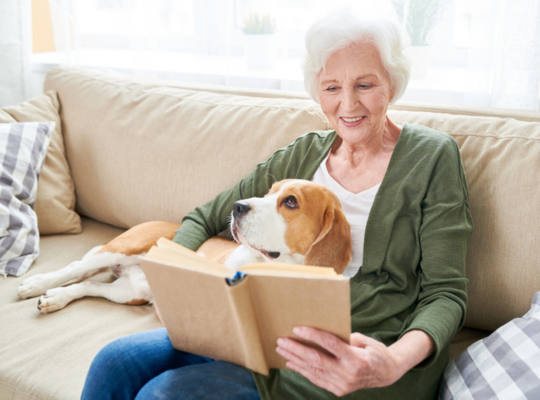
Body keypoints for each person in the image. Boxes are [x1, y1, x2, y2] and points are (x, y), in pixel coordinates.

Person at [82, 12, 472, 400]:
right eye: (332, 87)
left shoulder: (432, 157)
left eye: (365, 84)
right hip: (263, 332)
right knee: (113, 362)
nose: (348, 103)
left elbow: (446, 293)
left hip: (359, 358)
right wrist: (175, 290)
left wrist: (394, 360)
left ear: (392, 83)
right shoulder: (301, 157)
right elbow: (205, 218)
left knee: (161, 395)